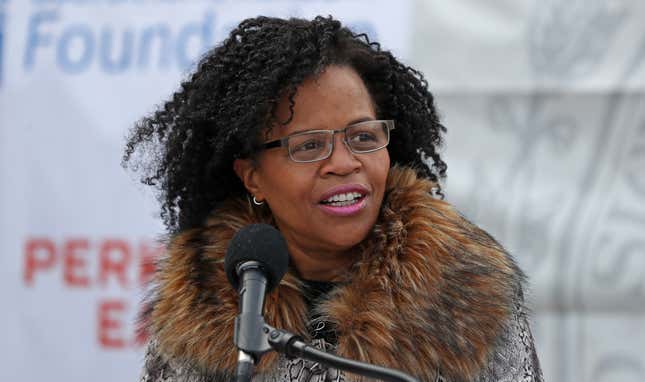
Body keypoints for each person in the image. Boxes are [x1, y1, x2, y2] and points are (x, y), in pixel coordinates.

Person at [124, 16, 543, 382]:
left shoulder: (465, 290)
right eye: (308, 146)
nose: (344, 164)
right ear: (253, 178)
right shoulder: (203, 307)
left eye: (363, 137)